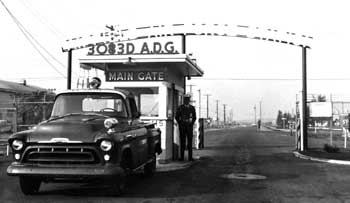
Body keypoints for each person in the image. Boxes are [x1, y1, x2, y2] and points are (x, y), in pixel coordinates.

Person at [175, 94, 196, 161]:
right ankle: (182, 157)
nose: (186, 101)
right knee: (182, 142)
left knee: (190, 143)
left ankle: (190, 157)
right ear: (184, 100)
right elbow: (177, 117)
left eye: (187, 99)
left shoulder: (192, 108)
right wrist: (180, 123)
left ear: (189, 100)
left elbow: (194, 117)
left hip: (189, 127)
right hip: (182, 127)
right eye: (185, 99)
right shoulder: (180, 108)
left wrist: (191, 123)